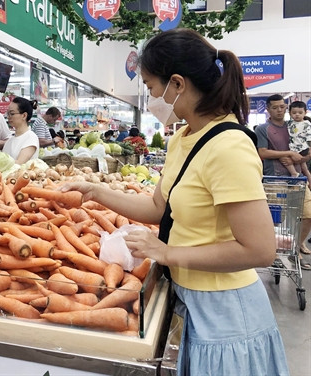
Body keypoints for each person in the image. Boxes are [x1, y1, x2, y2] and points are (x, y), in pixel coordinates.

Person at [62, 29, 289, 375]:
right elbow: (158, 208)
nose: (151, 98)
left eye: (152, 87)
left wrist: (166, 252)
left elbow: (260, 249)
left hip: (226, 312)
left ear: (177, 84)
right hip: (190, 300)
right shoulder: (183, 138)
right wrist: (95, 193)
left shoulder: (228, 146)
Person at [256, 95, 311, 261]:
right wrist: (287, 153)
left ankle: (296, 247)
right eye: (275, 107)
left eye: (282, 106)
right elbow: (262, 152)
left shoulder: (294, 126)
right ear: (268, 109)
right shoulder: (263, 128)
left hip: (298, 180)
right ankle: (277, 253)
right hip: (275, 180)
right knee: (277, 222)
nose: (280, 110)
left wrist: (299, 159)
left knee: (308, 215)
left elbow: (307, 152)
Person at [2, 97, 39, 164]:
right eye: (8, 113)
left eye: (12, 114)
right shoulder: (9, 141)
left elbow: (20, 163)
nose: (8, 117)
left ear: (24, 116)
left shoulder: (31, 138)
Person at [284, 101, 311, 182]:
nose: (297, 114)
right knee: (304, 168)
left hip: (302, 147)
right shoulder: (289, 123)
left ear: (305, 112)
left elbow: (309, 137)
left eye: (300, 112)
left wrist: (310, 149)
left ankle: (294, 173)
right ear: (290, 113)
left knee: (286, 160)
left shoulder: (307, 124)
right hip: (294, 147)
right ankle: (309, 182)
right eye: (294, 112)